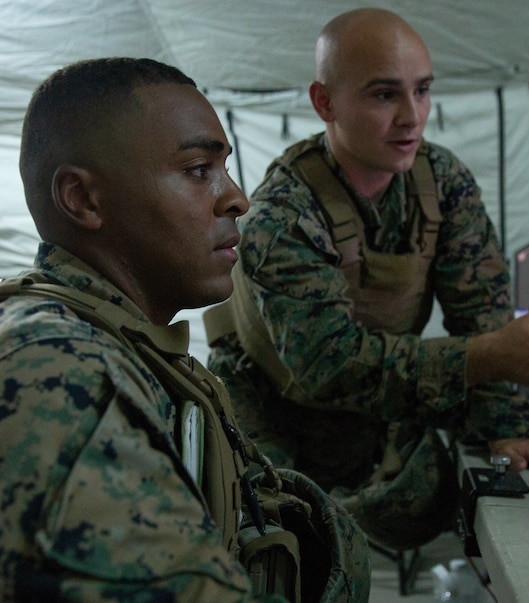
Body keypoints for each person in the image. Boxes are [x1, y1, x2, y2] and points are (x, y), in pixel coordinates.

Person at [206, 8, 529, 551]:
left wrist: (508, 427)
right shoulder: (281, 215)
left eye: (422, 91)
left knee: (432, 506)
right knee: (286, 550)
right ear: (324, 102)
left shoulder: (441, 182)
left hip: (373, 401)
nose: (412, 117)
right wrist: (487, 356)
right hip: (272, 409)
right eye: (384, 95)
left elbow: (482, 312)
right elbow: (326, 367)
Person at [0, 57, 369, 602]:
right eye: (199, 170)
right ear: (82, 199)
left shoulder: (130, 348)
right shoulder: (57, 367)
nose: (237, 198)